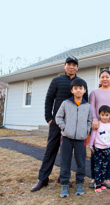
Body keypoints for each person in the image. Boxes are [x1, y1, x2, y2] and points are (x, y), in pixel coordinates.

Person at [31, 56, 88, 192]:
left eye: (74, 65)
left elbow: (86, 103)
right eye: (69, 64)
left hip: (74, 125)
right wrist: (49, 119)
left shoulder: (81, 83)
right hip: (57, 123)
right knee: (51, 149)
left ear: (77, 68)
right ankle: (43, 178)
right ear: (65, 66)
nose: (71, 67)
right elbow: (49, 99)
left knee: (67, 152)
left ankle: (63, 177)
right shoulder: (56, 81)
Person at [55, 78, 92, 197]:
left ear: (84, 90)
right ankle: (65, 184)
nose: (78, 90)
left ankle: (79, 183)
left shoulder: (88, 106)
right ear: (72, 90)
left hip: (81, 139)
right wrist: (65, 128)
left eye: (80, 88)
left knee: (81, 162)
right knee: (65, 161)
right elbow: (58, 117)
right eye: (75, 88)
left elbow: (89, 121)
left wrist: (85, 130)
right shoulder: (66, 103)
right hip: (66, 138)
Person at [89, 69, 110, 189]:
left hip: (109, 126)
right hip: (97, 126)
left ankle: (107, 178)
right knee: (95, 153)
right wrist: (94, 119)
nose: (105, 79)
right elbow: (91, 106)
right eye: (102, 77)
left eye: (107, 77)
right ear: (100, 78)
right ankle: (94, 177)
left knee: (108, 154)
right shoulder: (94, 92)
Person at [89, 105, 110, 193]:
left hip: (107, 149)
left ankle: (102, 182)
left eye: (107, 115)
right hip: (98, 149)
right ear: (99, 115)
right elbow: (93, 135)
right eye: (103, 115)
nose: (104, 117)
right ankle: (97, 183)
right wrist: (91, 145)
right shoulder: (98, 124)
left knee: (104, 166)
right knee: (97, 166)